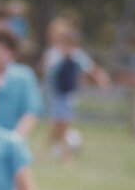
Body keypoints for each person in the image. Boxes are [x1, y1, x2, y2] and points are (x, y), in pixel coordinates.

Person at [39, 18, 111, 162]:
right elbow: (46, 70)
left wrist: (101, 79)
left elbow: (90, 68)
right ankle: (66, 157)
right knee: (61, 125)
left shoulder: (75, 54)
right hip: (55, 95)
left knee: (60, 125)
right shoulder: (54, 54)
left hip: (67, 95)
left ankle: (43, 152)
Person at [0, 29, 43, 139]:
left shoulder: (24, 77)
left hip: (15, 136)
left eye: (0, 48)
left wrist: (15, 138)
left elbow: (31, 111)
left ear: (12, 53)